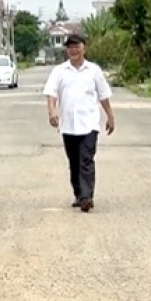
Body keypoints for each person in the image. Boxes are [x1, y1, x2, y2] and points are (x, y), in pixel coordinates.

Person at [43, 33, 116, 212]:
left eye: (77, 46)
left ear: (84, 48)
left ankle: (87, 197)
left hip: (89, 123)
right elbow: (51, 93)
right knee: (74, 162)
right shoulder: (59, 71)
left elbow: (103, 95)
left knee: (86, 160)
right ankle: (79, 193)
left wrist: (110, 116)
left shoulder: (94, 71)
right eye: (70, 47)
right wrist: (52, 111)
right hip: (68, 125)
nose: (74, 50)